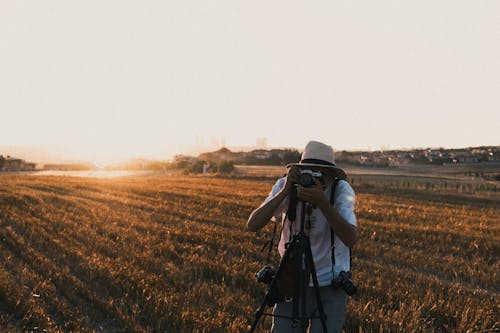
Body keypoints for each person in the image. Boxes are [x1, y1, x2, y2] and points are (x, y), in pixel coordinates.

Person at [247, 140, 358, 333]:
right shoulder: (285, 185)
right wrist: (285, 191)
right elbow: (253, 224)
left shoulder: (340, 190)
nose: (312, 179)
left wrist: (322, 202)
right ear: (298, 171)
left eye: (319, 174)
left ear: (331, 175)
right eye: (307, 172)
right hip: (292, 280)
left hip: (330, 284)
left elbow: (350, 238)